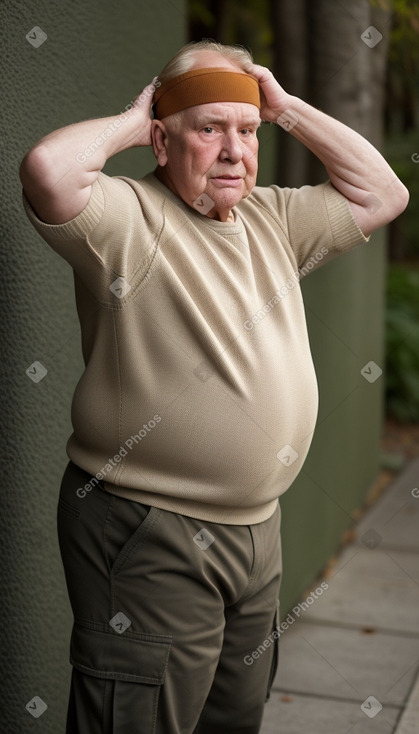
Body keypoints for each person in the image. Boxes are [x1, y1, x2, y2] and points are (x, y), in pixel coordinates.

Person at [20, 39, 408, 734]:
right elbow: (49, 170)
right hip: (150, 529)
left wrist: (286, 110)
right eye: (209, 129)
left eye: (247, 130)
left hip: (257, 532)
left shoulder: (273, 218)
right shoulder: (124, 218)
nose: (234, 150)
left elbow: (385, 192)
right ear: (163, 143)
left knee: (232, 719)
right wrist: (140, 120)